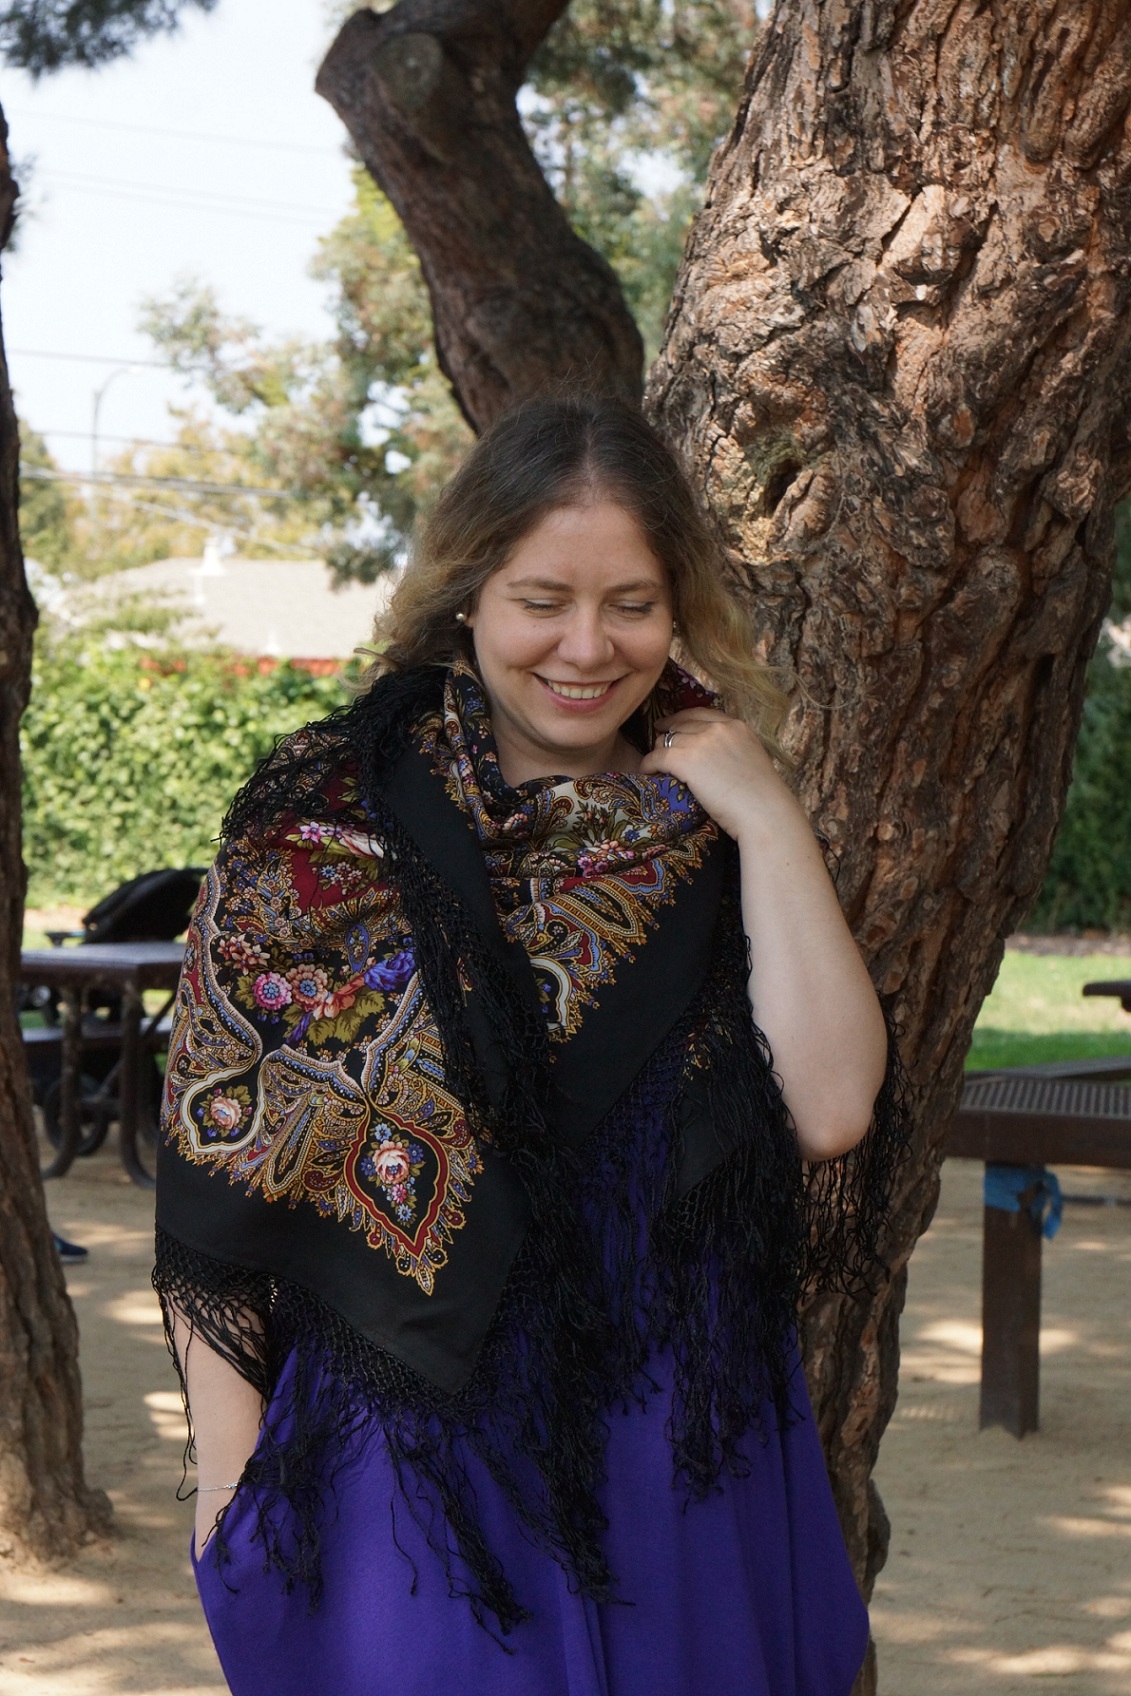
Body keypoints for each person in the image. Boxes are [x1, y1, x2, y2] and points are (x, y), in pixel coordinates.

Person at [154, 394, 906, 1696]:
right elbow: (223, 1181)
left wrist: (769, 817)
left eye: (633, 604)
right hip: (405, 1464)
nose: (588, 646)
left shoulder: (711, 830)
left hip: (678, 1447)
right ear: (467, 595)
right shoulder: (319, 831)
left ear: (678, 611)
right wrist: (228, 1493)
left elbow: (832, 1105)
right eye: (542, 600)